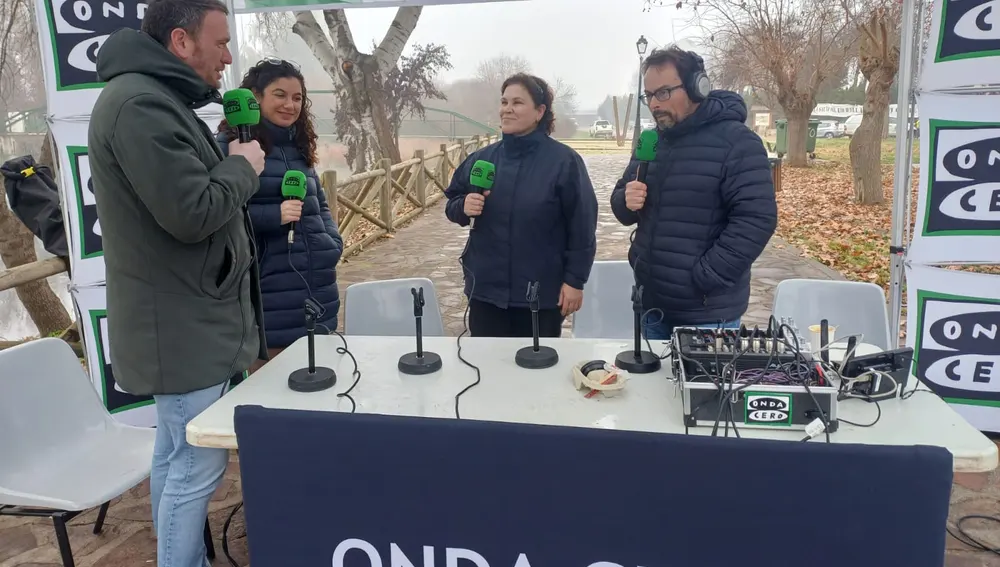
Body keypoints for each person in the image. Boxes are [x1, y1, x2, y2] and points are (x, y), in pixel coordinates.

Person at [87, 0, 267, 564]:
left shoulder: (156, 99)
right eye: (220, 43)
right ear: (182, 42)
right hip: (181, 326)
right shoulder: (141, 104)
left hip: (185, 317)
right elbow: (191, 211)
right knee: (195, 466)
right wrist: (243, 166)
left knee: (174, 456)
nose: (228, 57)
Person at [610, 46, 777, 340]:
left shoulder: (738, 143)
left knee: (700, 388)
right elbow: (622, 201)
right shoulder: (652, 140)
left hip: (707, 316)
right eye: (648, 96)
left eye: (663, 93)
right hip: (651, 307)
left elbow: (757, 219)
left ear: (696, 87)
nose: (654, 104)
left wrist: (705, 277)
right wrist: (625, 199)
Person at [444, 73, 598, 338]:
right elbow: (452, 203)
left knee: (538, 374)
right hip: (486, 293)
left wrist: (574, 281)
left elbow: (582, 226)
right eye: (504, 102)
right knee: (488, 370)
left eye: (517, 102)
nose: (507, 109)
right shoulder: (482, 159)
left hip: (540, 296)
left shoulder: (565, 162)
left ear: (539, 112)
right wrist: (463, 206)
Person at [217, 59, 343, 372]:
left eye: (297, 98)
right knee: (273, 399)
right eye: (280, 95)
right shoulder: (230, 147)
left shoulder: (299, 148)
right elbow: (218, 212)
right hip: (268, 296)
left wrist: (331, 242)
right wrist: (274, 215)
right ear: (255, 97)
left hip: (319, 290)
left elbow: (319, 203)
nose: (290, 105)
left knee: (323, 392)